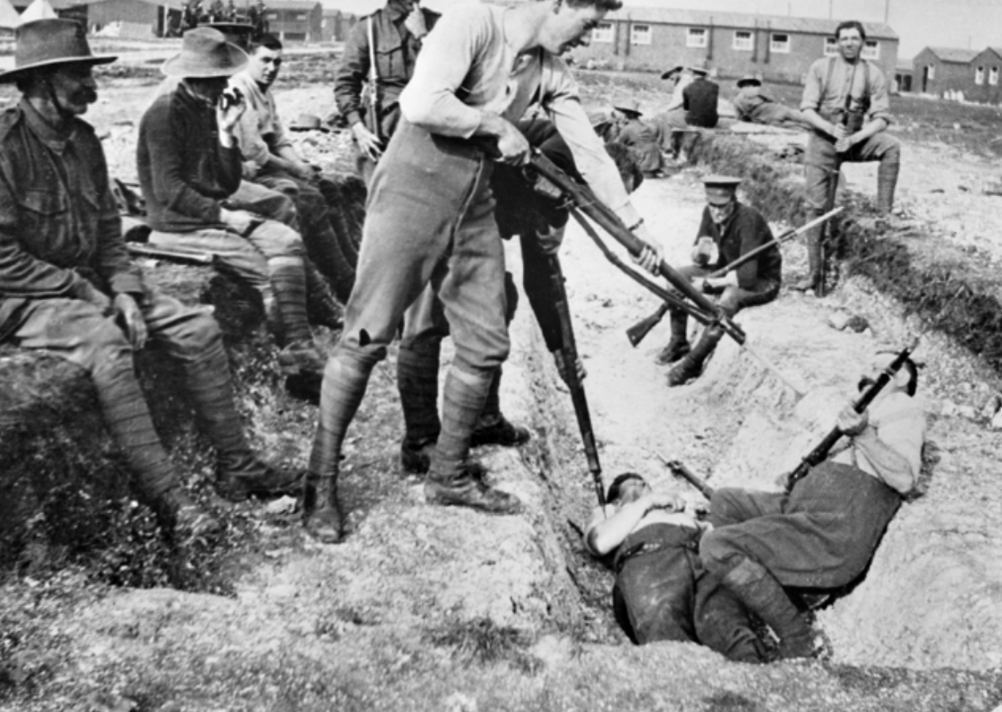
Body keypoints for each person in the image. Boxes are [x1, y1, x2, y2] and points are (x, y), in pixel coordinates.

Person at [303, 0, 665, 544]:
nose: (588, 38)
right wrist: (494, 123)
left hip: (474, 203)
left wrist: (635, 231)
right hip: (413, 187)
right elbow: (421, 102)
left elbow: (591, 154)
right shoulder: (472, 23)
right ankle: (319, 483)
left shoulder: (549, 69)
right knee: (367, 334)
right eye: (587, 23)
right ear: (558, 3)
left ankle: (446, 474)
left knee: (486, 339)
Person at [0, 20, 302, 542]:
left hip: (90, 278)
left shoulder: (84, 141)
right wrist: (91, 294)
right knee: (106, 343)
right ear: (41, 82)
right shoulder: (5, 148)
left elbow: (106, 233)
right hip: (24, 294)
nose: (89, 86)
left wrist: (121, 287)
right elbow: (4, 259)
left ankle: (238, 468)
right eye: (77, 74)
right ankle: (173, 503)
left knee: (198, 329)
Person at [699, 350, 925, 659]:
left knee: (716, 547)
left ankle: (800, 639)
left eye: (877, 365)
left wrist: (863, 434)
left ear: (901, 376)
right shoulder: (866, 411)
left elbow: (904, 479)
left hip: (830, 530)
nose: (866, 370)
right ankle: (768, 595)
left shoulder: (904, 406)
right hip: (803, 509)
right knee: (725, 500)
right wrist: (798, 479)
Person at [137, 27, 326, 390]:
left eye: (221, 78)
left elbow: (226, 183)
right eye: (212, 79)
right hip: (177, 223)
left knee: (286, 240)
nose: (220, 86)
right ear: (190, 77)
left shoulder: (208, 109)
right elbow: (169, 190)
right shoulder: (165, 114)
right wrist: (226, 217)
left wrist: (225, 133)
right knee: (263, 271)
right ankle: (295, 365)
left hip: (206, 214)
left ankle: (302, 352)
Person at [584, 473, 767, 662]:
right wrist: (649, 501)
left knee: (735, 635)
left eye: (645, 482)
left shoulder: (671, 508)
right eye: (633, 484)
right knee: (670, 648)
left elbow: (714, 535)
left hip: (701, 558)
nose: (642, 483)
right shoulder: (610, 511)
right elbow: (599, 542)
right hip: (650, 564)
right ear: (616, 498)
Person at [230, 33, 356, 303]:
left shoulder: (265, 92)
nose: (271, 68)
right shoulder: (240, 89)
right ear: (248, 58)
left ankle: (350, 265)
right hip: (244, 168)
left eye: (277, 62)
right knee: (308, 199)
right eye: (265, 60)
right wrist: (294, 170)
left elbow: (279, 139)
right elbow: (255, 151)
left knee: (328, 188)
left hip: (268, 164)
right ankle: (340, 281)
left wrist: (301, 164)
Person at [794, 19, 902, 293]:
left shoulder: (873, 74)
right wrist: (831, 129)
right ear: (836, 42)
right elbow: (807, 110)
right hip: (823, 140)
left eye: (855, 39)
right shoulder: (820, 68)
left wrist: (854, 138)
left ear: (863, 42)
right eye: (844, 39)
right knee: (816, 208)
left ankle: (883, 215)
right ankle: (814, 273)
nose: (849, 43)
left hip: (854, 140)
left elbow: (881, 119)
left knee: (891, 146)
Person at [660, 176, 781, 387]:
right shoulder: (708, 213)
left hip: (762, 280)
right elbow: (701, 257)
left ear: (732, 201)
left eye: (722, 207)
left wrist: (707, 285)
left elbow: (747, 277)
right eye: (712, 205)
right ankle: (678, 342)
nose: (716, 212)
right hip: (727, 268)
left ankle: (692, 363)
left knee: (728, 298)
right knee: (675, 278)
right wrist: (700, 253)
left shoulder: (749, 220)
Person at [333, 0, 440, 184]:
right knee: (380, 202)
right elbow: (346, 84)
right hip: (380, 131)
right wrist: (358, 128)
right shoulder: (368, 27)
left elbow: (453, 74)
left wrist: (423, 35)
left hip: (428, 130)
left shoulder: (438, 25)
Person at [731, 73, 810, 130]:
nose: (751, 88)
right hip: (773, 117)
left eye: (753, 85)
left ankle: (816, 125)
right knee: (801, 122)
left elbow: (741, 119)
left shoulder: (747, 99)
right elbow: (740, 119)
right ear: (742, 88)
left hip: (773, 116)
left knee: (802, 122)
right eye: (747, 86)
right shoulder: (739, 101)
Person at [609, 99, 664, 178]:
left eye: (624, 114)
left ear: (628, 115)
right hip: (655, 158)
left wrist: (615, 129)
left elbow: (616, 144)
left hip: (643, 157)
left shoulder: (628, 128)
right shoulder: (643, 125)